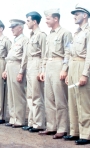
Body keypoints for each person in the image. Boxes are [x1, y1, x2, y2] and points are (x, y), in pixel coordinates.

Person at [39, 9, 72, 139]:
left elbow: (68, 52)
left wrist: (64, 69)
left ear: (55, 19)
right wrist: (43, 70)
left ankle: (62, 128)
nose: (46, 21)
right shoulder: (49, 35)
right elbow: (45, 55)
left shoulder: (66, 33)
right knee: (49, 99)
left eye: (48, 19)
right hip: (49, 67)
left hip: (59, 65)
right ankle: (51, 126)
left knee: (60, 99)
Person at [63, 4, 90, 145]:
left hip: (82, 65)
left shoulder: (88, 31)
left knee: (83, 101)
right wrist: (67, 72)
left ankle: (86, 134)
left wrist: (85, 74)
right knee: (73, 101)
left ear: (85, 15)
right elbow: (70, 53)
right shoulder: (76, 33)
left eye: (77, 13)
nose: (74, 16)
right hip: (73, 66)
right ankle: (75, 132)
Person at [22, 11, 46, 132]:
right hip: (30, 64)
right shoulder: (31, 35)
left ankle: (39, 123)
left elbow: (44, 54)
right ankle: (32, 122)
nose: (27, 23)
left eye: (28, 20)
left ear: (34, 21)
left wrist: (42, 70)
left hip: (37, 64)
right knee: (30, 96)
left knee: (37, 96)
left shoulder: (41, 35)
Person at [2, 19, 28, 128]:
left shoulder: (24, 40)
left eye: (14, 27)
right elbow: (10, 57)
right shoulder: (15, 41)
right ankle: (13, 118)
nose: (12, 29)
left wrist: (21, 72)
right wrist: (6, 70)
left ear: (20, 28)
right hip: (10, 65)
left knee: (18, 95)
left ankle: (19, 120)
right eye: (11, 27)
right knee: (11, 95)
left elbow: (24, 57)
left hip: (17, 67)